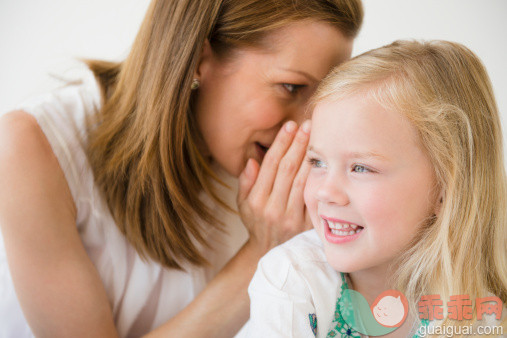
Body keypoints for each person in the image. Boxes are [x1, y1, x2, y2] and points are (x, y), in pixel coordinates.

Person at [0, 0, 363, 337]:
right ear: (199, 59)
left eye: (321, 98)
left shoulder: (278, 174)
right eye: (290, 87)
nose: (306, 127)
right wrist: (262, 252)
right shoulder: (33, 145)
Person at [244, 40, 507, 337]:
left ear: (445, 186)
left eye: (361, 168)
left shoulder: (479, 312)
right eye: (317, 161)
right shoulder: (291, 281)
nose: (325, 192)